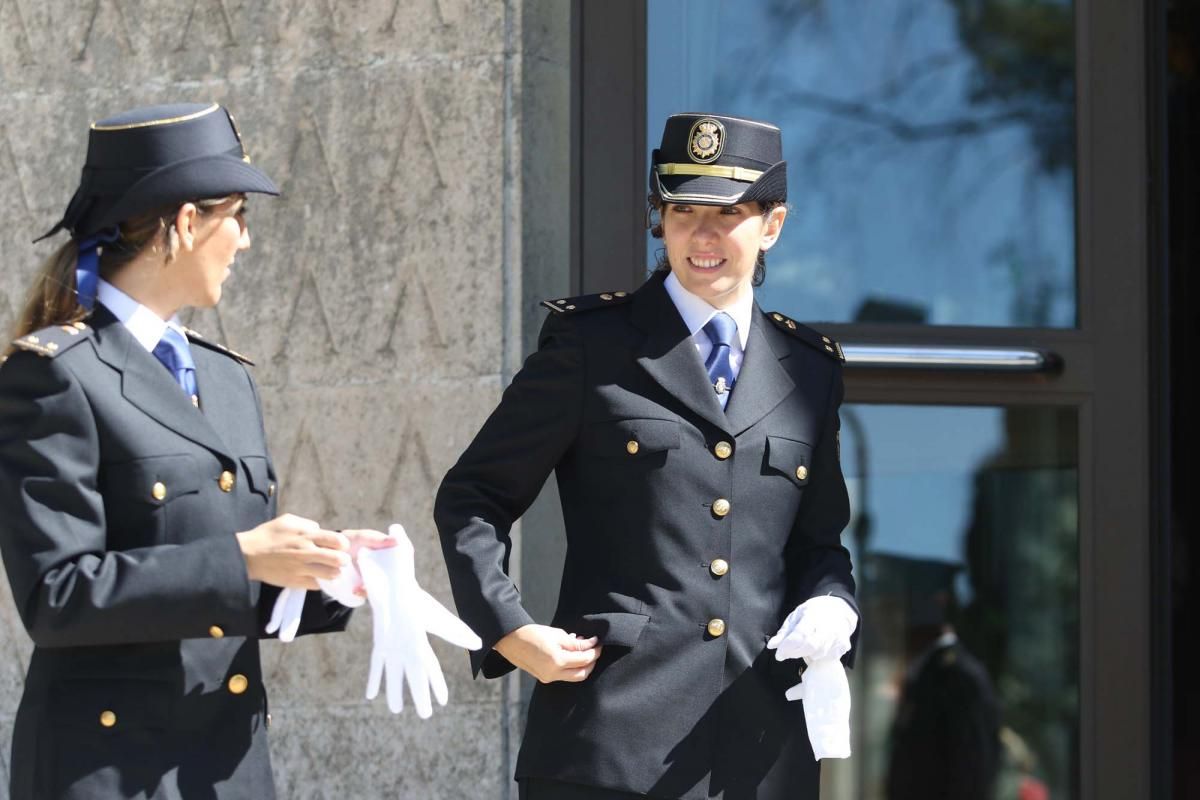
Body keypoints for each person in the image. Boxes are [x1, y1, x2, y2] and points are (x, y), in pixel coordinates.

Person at [435, 113, 859, 800]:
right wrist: (508, 630)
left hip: (760, 760)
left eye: (729, 214)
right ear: (658, 220)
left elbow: (819, 545)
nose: (704, 235)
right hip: (607, 748)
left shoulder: (810, 371)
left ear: (772, 225)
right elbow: (472, 498)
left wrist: (835, 607)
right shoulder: (590, 346)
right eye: (683, 211)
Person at [0, 102, 390, 800]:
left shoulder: (226, 379)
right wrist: (242, 559)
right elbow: (55, 597)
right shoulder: (55, 374)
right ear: (184, 224)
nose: (244, 241)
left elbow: (221, 597)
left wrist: (333, 573)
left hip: (224, 770)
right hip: (108, 775)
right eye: (237, 216)